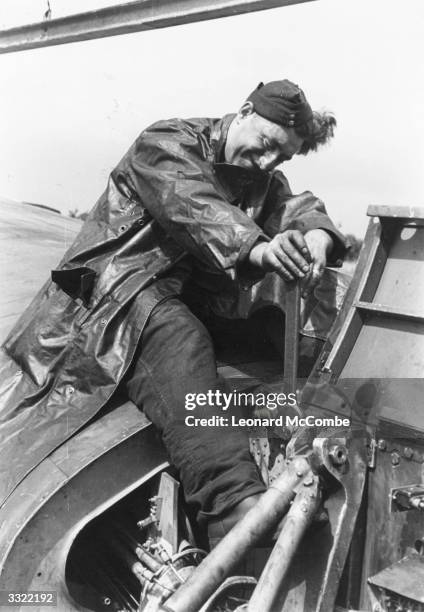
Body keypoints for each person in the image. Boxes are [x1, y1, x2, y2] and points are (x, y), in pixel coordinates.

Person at [0, 80, 347, 543]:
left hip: (178, 302)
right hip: (112, 304)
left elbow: (296, 206)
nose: (267, 163)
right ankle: (231, 504)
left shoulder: (262, 178)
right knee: (178, 334)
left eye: (280, 158)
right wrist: (260, 251)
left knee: (294, 338)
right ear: (243, 111)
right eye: (266, 146)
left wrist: (318, 236)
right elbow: (193, 205)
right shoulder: (166, 143)